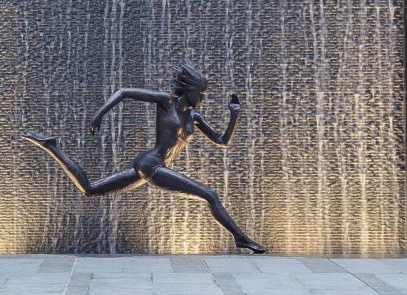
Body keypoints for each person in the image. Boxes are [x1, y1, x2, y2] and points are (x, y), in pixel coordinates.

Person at [22, 60, 266, 254]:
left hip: (152, 167)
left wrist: (234, 116)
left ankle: (51, 146)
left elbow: (222, 142)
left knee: (90, 189)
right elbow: (124, 92)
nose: (201, 98)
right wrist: (99, 116)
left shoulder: (195, 117)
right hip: (151, 164)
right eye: (199, 93)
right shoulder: (166, 102)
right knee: (209, 195)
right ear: (188, 90)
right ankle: (240, 238)